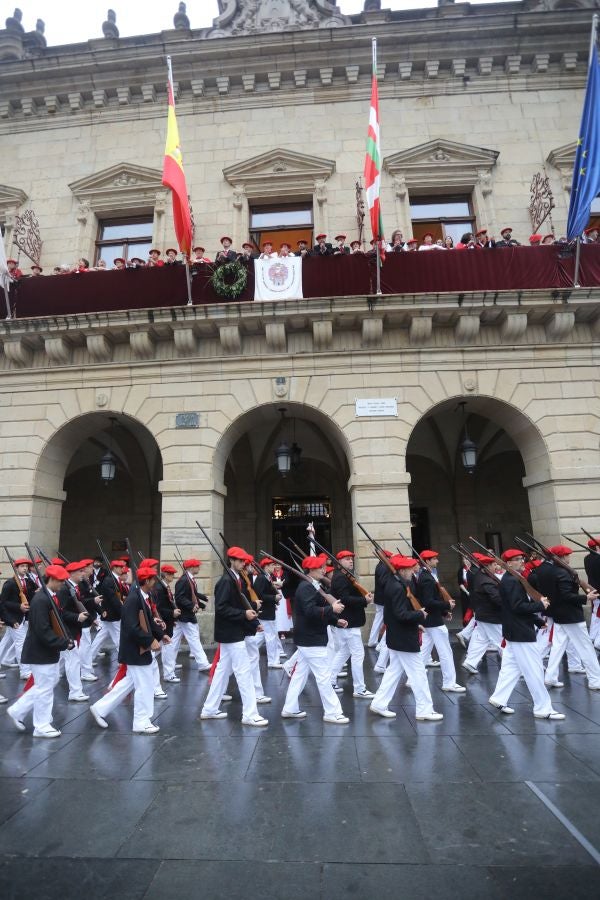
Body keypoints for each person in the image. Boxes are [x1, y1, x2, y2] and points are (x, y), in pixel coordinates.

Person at [489, 549, 564, 719]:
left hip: (515, 630)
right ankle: (542, 708)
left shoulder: (512, 579)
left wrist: (538, 621)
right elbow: (517, 607)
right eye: (517, 560)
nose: (522, 561)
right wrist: (540, 605)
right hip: (520, 632)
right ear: (508, 564)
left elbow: (514, 607)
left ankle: (499, 697)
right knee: (534, 670)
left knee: (511, 668)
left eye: (522, 559)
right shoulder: (512, 581)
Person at [90, 566, 165, 733]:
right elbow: (132, 626)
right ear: (146, 581)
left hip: (138, 649)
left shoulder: (143, 596)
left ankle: (100, 708)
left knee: (128, 684)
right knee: (145, 685)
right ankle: (141, 721)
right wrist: (150, 640)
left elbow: (147, 620)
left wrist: (160, 634)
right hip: (135, 650)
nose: (155, 582)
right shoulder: (134, 598)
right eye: (153, 579)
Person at [201, 545, 268, 726]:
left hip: (235, 631)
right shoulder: (226, 581)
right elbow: (222, 609)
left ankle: (209, 708)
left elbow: (242, 604)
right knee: (243, 672)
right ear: (231, 560)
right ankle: (249, 714)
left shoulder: (237, 578)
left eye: (243, 561)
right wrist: (244, 615)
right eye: (239, 560)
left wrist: (253, 620)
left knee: (222, 672)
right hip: (231, 633)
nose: (242, 563)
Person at [370, 555, 443, 721]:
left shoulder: (397, 584)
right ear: (402, 570)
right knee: (418, 675)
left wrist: (415, 621)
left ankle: (379, 703)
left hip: (398, 636)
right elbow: (401, 614)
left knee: (393, 672)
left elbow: (396, 613)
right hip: (403, 638)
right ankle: (425, 709)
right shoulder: (397, 587)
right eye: (410, 568)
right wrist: (419, 615)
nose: (413, 571)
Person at [281, 554, 350, 723]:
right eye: (320, 567)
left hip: (309, 638)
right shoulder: (306, 587)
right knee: (324, 677)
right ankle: (332, 712)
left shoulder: (312, 585)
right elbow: (311, 611)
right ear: (311, 570)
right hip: (311, 639)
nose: (324, 569)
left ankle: (289, 708)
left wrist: (335, 620)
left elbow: (319, 608)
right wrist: (332, 610)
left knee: (299, 676)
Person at [6, 564, 74, 737]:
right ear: (51, 580)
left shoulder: (49, 596)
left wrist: (66, 638)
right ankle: (41, 726)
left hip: (47, 650)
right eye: (60, 581)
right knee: (44, 688)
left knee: (48, 684)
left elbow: (56, 621)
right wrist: (62, 643)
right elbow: (42, 629)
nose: (62, 585)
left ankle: (18, 710)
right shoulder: (41, 600)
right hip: (40, 651)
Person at [535, 544, 600, 690]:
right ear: (561, 557)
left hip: (558, 614)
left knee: (558, 647)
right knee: (586, 648)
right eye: (567, 555)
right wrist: (586, 597)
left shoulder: (544, 571)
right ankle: (596, 680)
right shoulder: (562, 573)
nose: (569, 558)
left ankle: (550, 677)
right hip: (571, 616)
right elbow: (567, 596)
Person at [414, 550, 465, 693]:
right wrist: (446, 605)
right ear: (427, 561)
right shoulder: (427, 578)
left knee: (423, 652)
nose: (437, 561)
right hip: (434, 622)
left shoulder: (426, 576)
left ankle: (412, 680)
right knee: (446, 652)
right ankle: (449, 682)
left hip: (430, 620)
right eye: (434, 559)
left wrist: (444, 611)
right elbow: (428, 601)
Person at [329, 550, 374, 699]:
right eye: (347, 559)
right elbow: (345, 599)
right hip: (348, 622)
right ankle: (359, 689)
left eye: (351, 559)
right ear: (340, 562)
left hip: (349, 621)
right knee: (357, 654)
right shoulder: (341, 578)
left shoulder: (344, 576)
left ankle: (330, 680)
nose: (351, 561)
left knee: (344, 652)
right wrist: (364, 600)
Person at [56, 561, 92, 702]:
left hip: (73, 629)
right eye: (80, 572)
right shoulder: (65, 589)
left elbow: (79, 603)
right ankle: (75, 691)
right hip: (67, 630)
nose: (83, 574)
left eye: (83, 571)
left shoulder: (74, 587)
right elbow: (61, 613)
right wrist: (77, 616)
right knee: (73, 660)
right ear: (71, 574)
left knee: (66, 661)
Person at [462, 554, 504, 674]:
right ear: (487, 566)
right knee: (502, 642)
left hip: (483, 615)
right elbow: (497, 598)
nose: (496, 566)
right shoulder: (486, 580)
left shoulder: (481, 576)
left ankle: (470, 662)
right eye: (493, 564)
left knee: (481, 640)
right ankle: (512, 668)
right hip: (491, 616)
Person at [0, 557, 36, 681]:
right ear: (16, 568)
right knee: (21, 644)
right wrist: (12, 617)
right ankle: (25, 671)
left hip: (23, 618)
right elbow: (3, 603)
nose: (25, 568)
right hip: (14, 618)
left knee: (4, 644)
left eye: (26, 566)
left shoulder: (28, 581)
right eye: (22, 566)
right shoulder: (10, 583)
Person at [173, 558, 211, 672]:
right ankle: (203, 663)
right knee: (194, 639)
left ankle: (169, 663)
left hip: (184, 616)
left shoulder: (189, 579)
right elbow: (179, 597)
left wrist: (202, 603)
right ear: (191, 567)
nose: (199, 568)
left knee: (173, 641)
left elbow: (192, 594)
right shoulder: (184, 580)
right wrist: (191, 606)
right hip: (185, 615)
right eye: (197, 566)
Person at [153, 564, 181, 682]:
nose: (172, 576)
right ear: (164, 574)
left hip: (167, 622)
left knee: (159, 650)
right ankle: (169, 674)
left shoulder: (165, 587)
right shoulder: (160, 588)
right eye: (170, 574)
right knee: (165, 649)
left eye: (172, 574)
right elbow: (158, 608)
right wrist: (172, 613)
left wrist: (172, 618)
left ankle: (169, 671)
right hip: (163, 623)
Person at [253, 557, 282, 669]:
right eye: (271, 565)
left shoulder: (266, 577)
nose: (274, 567)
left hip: (268, 610)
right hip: (265, 611)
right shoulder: (262, 578)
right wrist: (274, 598)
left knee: (260, 637)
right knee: (270, 637)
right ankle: (272, 661)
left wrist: (274, 601)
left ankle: (245, 651)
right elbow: (260, 595)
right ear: (265, 567)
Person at [584, 537, 600, 649]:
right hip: (599, 590)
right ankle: (597, 641)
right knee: (597, 615)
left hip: (592, 588)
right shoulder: (598, 559)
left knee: (595, 614)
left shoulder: (587, 558)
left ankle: (592, 637)